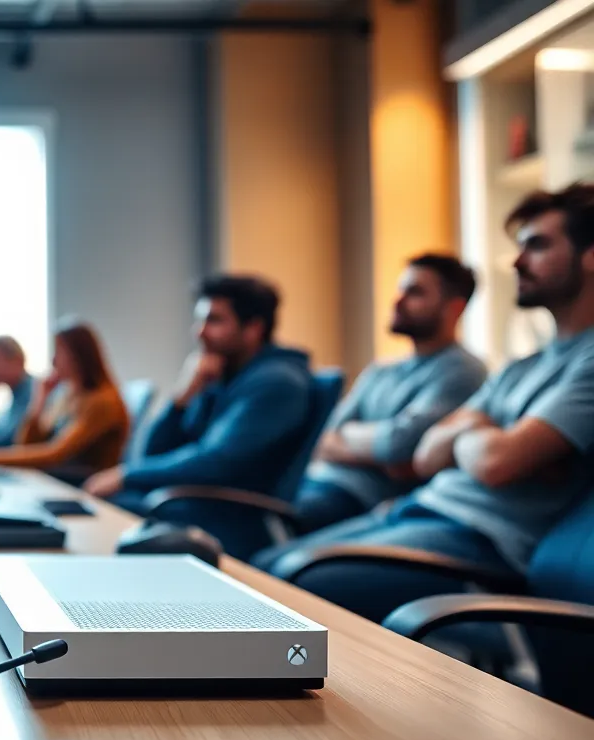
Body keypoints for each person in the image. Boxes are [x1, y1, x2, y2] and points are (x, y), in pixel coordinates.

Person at [254, 183, 594, 624]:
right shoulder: (519, 367)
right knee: (262, 568)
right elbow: (428, 452)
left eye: (537, 245)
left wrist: (473, 433)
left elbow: (494, 463)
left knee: (292, 584)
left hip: (481, 545)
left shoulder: (585, 362)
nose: (516, 261)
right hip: (421, 511)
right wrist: (482, 437)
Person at [82, 275, 312, 559]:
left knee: (111, 511)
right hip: (197, 501)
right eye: (200, 320)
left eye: (214, 320)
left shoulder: (277, 383)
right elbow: (153, 452)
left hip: (235, 517)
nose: (200, 332)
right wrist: (182, 397)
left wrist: (127, 476)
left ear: (253, 328)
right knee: (108, 510)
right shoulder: (222, 378)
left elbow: (216, 462)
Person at [293, 254, 487, 532]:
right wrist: (379, 454)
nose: (397, 301)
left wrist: (350, 436)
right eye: (401, 289)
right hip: (315, 482)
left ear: (453, 308)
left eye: (415, 292)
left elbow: (400, 445)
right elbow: (324, 437)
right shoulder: (380, 371)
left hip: (361, 501)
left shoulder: (462, 370)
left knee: (266, 531)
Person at [0, 321, 129, 476]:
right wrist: (39, 401)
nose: (53, 360)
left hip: (80, 485)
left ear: (79, 356)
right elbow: (25, 445)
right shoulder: (68, 396)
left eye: (59, 352)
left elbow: (53, 454)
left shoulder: (102, 401)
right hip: (56, 480)